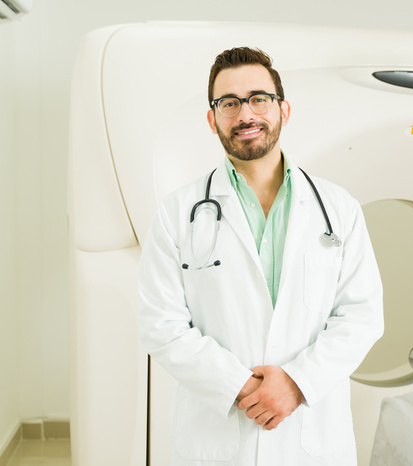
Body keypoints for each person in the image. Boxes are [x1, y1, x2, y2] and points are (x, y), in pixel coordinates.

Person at [137, 47, 384, 466]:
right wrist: (240, 386)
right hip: (217, 437)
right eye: (228, 103)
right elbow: (160, 324)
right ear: (212, 119)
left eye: (259, 99)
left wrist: (296, 384)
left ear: (283, 109)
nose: (245, 114)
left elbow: (362, 316)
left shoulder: (338, 209)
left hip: (309, 435)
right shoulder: (177, 213)